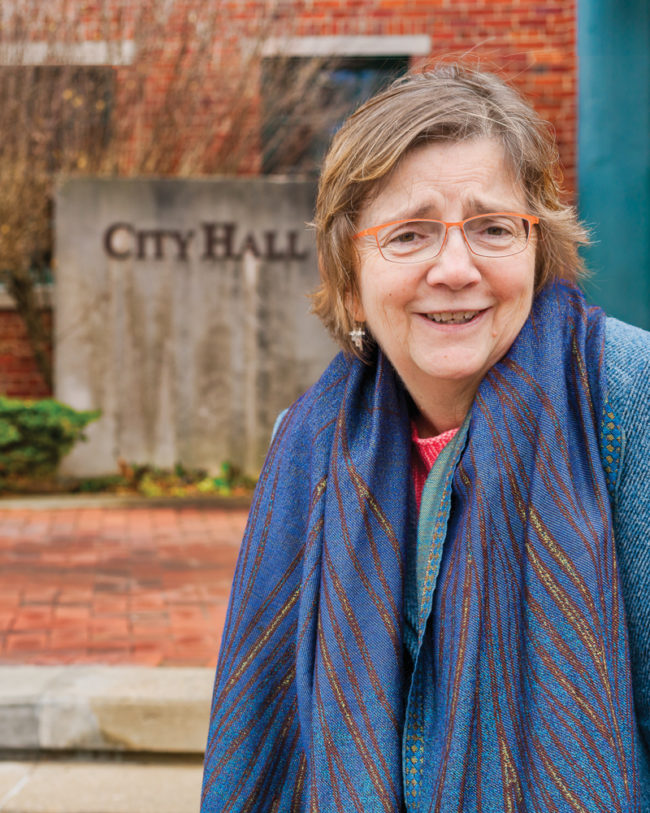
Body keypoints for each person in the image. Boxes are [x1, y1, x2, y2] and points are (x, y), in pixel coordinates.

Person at [201, 64, 650, 812]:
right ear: (351, 279)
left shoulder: (627, 401)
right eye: (409, 234)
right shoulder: (305, 446)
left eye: (493, 227)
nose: (455, 267)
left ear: (538, 251)